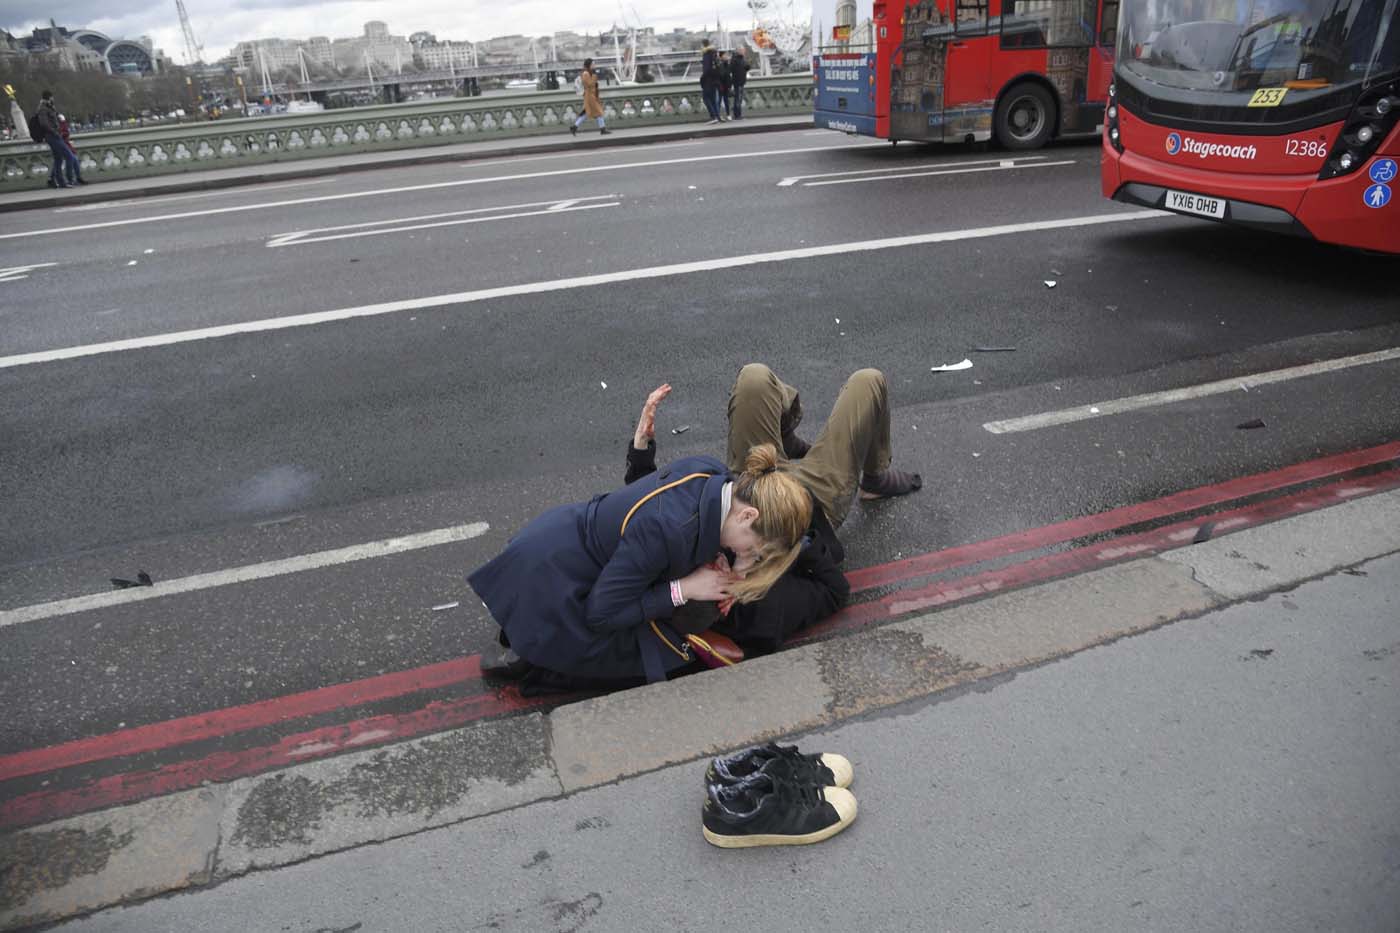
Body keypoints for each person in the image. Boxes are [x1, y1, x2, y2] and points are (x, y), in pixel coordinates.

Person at [469, 440, 812, 692]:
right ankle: (532, 653)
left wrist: (722, 561)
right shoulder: (666, 530)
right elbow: (601, 613)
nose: (748, 557)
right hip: (557, 582)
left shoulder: (714, 474)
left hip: (564, 543)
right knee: (655, 660)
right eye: (754, 549)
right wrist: (684, 589)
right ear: (748, 515)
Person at [35, 91, 70, 189]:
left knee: (58, 158)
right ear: (49, 97)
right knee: (68, 156)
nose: (53, 99)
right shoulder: (43, 108)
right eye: (52, 97)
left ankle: (55, 180)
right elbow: (44, 124)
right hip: (52, 136)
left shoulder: (49, 106)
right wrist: (55, 132)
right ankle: (66, 180)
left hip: (54, 135)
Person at [569, 59, 611, 136]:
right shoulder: (586, 73)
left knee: (587, 113)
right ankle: (603, 129)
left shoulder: (589, 73)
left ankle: (574, 127)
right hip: (589, 96)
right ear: (589, 65)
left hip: (592, 95)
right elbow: (589, 84)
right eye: (593, 64)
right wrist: (594, 77)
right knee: (598, 112)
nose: (594, 65)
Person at [57, 112, 86, 186]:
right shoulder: (57, 124)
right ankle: (70, 179)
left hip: (65, 144)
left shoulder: (60, 124)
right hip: (61, 144)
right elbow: (64, 133)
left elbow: (65, 133)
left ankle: (77, 178)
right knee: (71, 159)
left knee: (74, 159)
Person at [700, 41, 722, 124]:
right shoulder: (714, 53)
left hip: (708, 80)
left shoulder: (706, 54)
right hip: (715, 80)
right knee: (713, 99)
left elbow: (706, 69)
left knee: (706, 98)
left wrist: (702, 78)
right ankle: (717, 116)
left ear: (703, 46)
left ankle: (713, 116)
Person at [730, 49, 751, 119]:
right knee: (738, 99)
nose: (744, 52)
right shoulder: (736, 59)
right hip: (738, 81)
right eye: (743, 50)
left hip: (740, 81)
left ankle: (738, 114)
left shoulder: (740, 59)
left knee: (739, 99)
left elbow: (746, 67)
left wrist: (747, 64)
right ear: (739, 51)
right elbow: (736, 69)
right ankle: (737, 115)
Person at [717, 51, 733, 120]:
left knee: (726, 101)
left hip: (726, 85)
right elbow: (721, 75)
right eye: (725, 55)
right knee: (719, 101)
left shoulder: (727, 64)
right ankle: (718, 115)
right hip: (721, 85)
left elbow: (729, 74)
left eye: (727, 55)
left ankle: (728, 114)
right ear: (721, 56)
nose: (726, 56)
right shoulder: (720, 64)